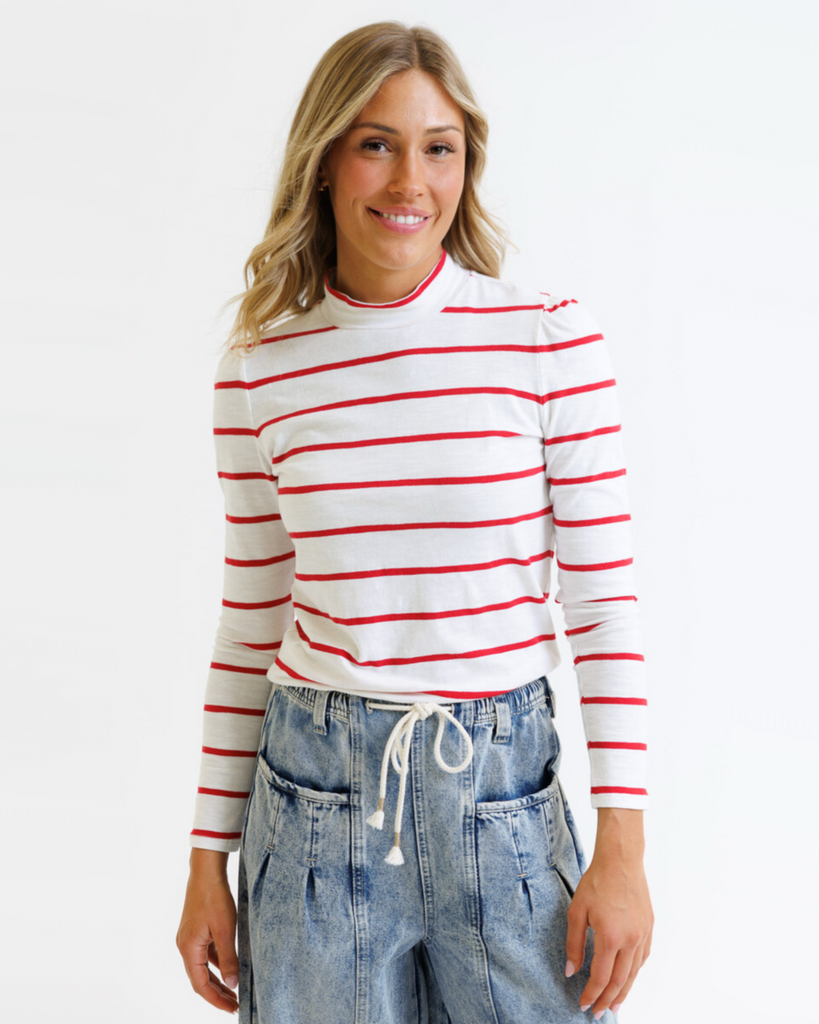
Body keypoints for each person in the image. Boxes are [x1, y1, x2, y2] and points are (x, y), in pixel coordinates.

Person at [176, 20, 653, 1024]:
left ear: (467, 162)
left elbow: (604, 606)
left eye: (438, 146)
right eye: (376, 142)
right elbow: (249, 619)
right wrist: (204, 858)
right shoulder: (259, 371)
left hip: (506, 801)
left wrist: (623, 847)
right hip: (311, 801)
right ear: (324, 161)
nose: (409, 180)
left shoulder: (545, 338)